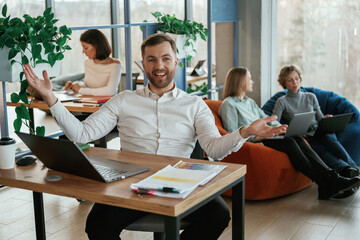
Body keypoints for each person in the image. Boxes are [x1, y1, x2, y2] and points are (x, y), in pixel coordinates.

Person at [23, 33, 287, 240]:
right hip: (131, 187)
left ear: (175, 61)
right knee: (96, 226)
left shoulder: (195, 105)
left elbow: (214, 150)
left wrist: (245, 132)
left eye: (165, 58)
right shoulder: (124, 100)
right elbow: (82, 133)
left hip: (180, 186)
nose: (158, 65)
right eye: (151, 59)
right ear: (143, 64)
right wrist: (51, 98)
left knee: (218, 215)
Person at [218, 66, 360, 200]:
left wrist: (283, 128)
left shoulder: (249, 102)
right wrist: (256, 137)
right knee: (290, 142)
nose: (252, 81)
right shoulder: (229, 104)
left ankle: (329, 181)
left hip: (268, 135)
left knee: (295, 138)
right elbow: (232, 133)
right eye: (249, 78)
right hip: (256, 140)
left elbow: (271, 120)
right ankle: (329, 182)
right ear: (240, 81)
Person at [273, 65, 360, 190]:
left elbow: (319, 118)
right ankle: (346, 170)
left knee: (330, 139)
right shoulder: (282, 101)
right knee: (318, 149)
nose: (294, 82)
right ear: (284, 83)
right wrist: (291, 129)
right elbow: (273, 121)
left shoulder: (310, 96)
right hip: (303, 135)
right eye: (290, 80)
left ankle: (353, 169)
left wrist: (327, 119)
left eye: (296, 78)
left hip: (319, 129)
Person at [64, 29, 122, 96]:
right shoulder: (87, 62)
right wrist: (74, 86)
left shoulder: (115, 64)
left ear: (97, 46)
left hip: (107, 103)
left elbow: (110, 91)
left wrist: (80, 90)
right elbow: (89, 86)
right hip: (90, 101)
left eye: (86, 48)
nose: (83, 51)